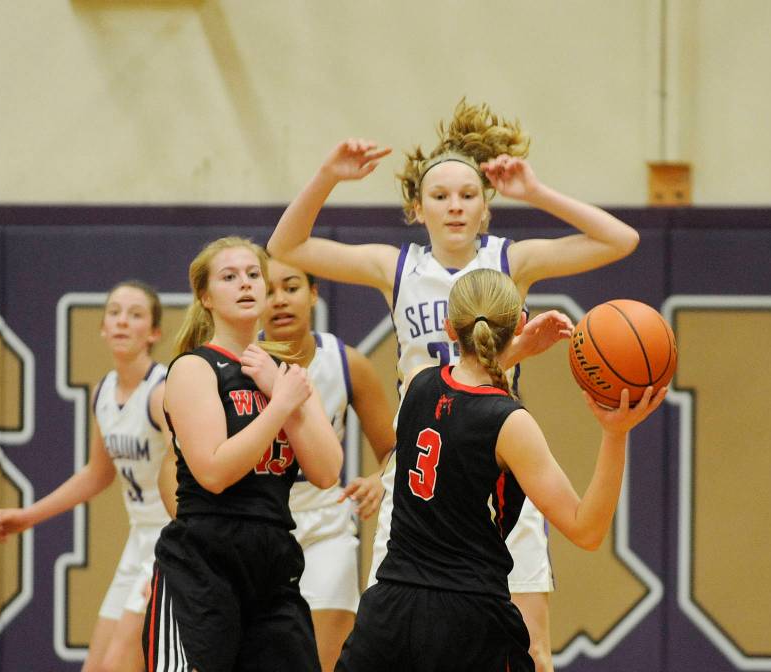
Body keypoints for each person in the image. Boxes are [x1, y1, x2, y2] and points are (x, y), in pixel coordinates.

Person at [268, 99, 641, 670]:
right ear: (417, 207)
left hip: (493, 462)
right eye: (440, 196)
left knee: (531, 648)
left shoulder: (511, 259)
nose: (455, 206)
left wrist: (537, 193)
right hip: (423, 472)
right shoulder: (394, 266)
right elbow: (286, 249)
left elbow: (620, 240)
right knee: (396, 640)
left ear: (486, 208)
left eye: (468, 195)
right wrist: (326, 177)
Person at [336, 268, 667, 671]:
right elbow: (587, 529)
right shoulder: (509, 423)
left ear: (447, 327)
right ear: (520, 323)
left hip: (387, 611)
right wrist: (616, 434)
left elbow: (464, 391)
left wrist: (513, 349)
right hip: (465, 618)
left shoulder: (419, 386)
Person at [157, 257, 397, 672]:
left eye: (254, 276)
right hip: (208, 555)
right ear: (206, 296)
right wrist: (280, 406)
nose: (246, 285)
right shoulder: (195, 367)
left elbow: (326, 471)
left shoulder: (287, 374)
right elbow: (213, 473)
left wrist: (281, 392)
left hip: (274, 552)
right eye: (230, 278)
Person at [0, 280, 172, 672]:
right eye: (115, 312)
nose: (123, 321)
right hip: (138, 542)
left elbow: (194, 476)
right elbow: (96, 474)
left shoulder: (162, 393)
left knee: (123, 664)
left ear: (153, 332)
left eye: (136, 315)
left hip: (171, 542)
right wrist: (27, 516)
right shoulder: (104, 391)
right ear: (103, 327)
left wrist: (183, 556)